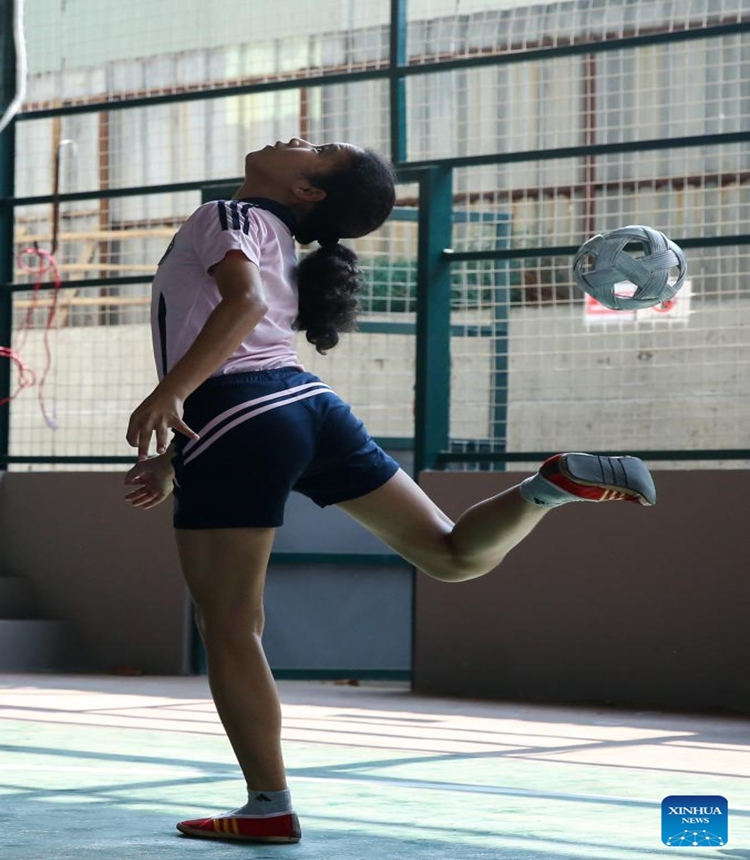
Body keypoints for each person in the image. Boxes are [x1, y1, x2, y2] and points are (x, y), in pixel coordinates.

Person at [124, 137, 656, 845]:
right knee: (452, 556)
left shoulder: (229, 214)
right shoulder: (274, 232)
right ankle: (547, 487)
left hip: (237, 412)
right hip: (307, 406)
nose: (296, 138)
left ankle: (268, 806)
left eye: (317, 148)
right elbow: (243, 342)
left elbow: (243, 308)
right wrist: (178, 453)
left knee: (229, 625)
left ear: (309, 190)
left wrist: (171, 394)